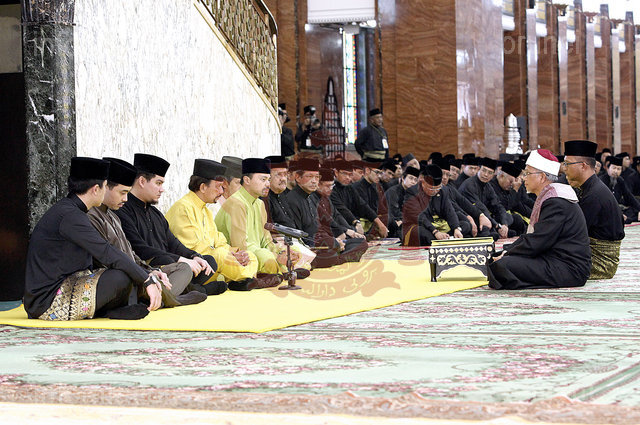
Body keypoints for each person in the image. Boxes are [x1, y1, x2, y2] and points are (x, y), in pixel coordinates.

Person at [25, 157, 161, 321]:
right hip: (46, 301)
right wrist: (146, 279)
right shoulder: (70, 216)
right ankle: (107, 312)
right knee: (120, 277)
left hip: (70, 283)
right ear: (96, 189)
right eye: (105, 186)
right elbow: (106, 252)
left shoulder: (72, 211)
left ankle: (109, 312)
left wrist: (145, 273)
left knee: (122, 272)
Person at [88, 158, 204, 307]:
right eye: (123, 193)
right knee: (125, 276)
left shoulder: (113, 215)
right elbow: (117, 256)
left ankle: (164, 297)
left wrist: (150, 271)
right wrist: (146, 276)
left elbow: (131, 252)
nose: (125, 199)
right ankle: (168, 299)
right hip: (120, 276)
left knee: (183, 267)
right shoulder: (94, 215)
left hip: (137, 270)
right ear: (102, 188)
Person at [116, 154, 223, 295]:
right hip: (149, 269)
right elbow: (138, 248)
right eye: (158, 183)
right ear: (142, 181)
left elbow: (173, 243)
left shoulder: (155, 213)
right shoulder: (123, 210)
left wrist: (194, 256)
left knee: (207, 261)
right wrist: (180, 259)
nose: (162, 189)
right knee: (172, 262)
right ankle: (192, 290)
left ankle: (184, 290)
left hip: (172, 268)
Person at [165, 159, 279, 291]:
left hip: (214, 261)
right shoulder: (183, 208)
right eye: (218, 187)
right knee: (219, 256)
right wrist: (226, 254)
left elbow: (219, 241)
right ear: (203, 187)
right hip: (195, 263)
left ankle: (243, 279)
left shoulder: (206, 210)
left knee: (250, 256)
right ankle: (249, 279)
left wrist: (234, 253)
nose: (221, 191)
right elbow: (192, 248)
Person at [488, 150, 591, 290]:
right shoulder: (551, 196)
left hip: (569, 268)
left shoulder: (556, 202)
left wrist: (508, 253)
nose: (523, 178)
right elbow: (536, 239)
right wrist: (507, 251)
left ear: (542, 177)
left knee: (502, 265)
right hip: (555, 258)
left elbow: (538, 241)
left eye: (527, 173)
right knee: (498, 258)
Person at [215, 158, 299, 276]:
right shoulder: (236, 203)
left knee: (293, 252)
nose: (268, 184)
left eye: (269, 180)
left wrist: (281, 252)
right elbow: (240, 246)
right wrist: (275, 257)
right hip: (237, 257)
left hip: (257, 253)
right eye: (263, 180)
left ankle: (279, 272)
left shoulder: (259, 204)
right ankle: (279, 273)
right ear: (247, 180)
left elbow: (266, 240)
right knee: (267, 258)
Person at [563, 140, 625, 279]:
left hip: (600, 262)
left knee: (547, 262)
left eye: (567, 164)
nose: (564, 168)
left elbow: (572, 234)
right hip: (591, 255)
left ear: (583, 166)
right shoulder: (591, 188)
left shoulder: (594, 195)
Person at [309, 168, 369, 268]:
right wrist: (342, 234)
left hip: (337, 237)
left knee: (362, 243)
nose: (330, 189)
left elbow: (337, 215)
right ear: (318, 184)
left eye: (332, 185)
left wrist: (350, 231)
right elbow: (326, 223)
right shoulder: (312, 198)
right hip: (324, 238)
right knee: (331, 248)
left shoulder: (326, 198)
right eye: (327, 186)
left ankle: (336, 257)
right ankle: (336, 258)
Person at [402, 165, 463, 246]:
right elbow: (419, 216)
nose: (434, 191)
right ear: (423, 182)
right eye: (431, 189)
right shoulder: (412, 192)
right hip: (420, 224)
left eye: (437, 188)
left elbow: (449, 211)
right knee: (423, 233)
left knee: (464, 225)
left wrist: (456, 228)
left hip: (439, 224)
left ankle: (445, 238)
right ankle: (442, 239)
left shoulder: (443, 190)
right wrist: (435, 231)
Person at [331, 160, 389, 238]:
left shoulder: (349, 187)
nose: (348, 178)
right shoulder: (331, 189)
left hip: (352, 223)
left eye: (350, 174)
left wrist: (379, 223)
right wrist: (355, 222)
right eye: (344, 174)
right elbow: (342, 210)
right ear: (336, 173)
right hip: (340, 225)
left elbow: (362, 205)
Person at [459, 158, 510, 239]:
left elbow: (497, 205)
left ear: (493, 175)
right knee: (488, 231)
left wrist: (504, 224)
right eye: (484, 170)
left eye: (490, 173)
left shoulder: (488, 186)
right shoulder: (469, 185)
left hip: (485, 217)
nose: (486, 175)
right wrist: (496, 225)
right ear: (478, 169)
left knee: (509, 217)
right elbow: (479, 207)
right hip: (469, 216)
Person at [488, 162, 530, 235]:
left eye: (514, 181)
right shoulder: (490, 186)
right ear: (501, 176)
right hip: (494, 218)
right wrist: (515, 190)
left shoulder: (506, 186)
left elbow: (522, 202)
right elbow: (507, 205)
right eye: (510, 181)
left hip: (505, 218)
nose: (512, 184)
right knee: (516, 219)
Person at [351, 162, 389, 238]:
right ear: (368, 170)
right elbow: (364, 209)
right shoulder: (356, 187)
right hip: (359, 222)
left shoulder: (374, 186)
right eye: (377, 172)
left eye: (381, 173)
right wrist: (379, 223)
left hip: (371, 221)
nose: (379, 176)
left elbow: (375, 208)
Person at [600, 155, 640, 224]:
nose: (616, 171)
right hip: (604, 210)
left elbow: (629, 197)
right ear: (608, 168)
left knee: (633, 211)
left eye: (618, 169)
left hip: (617, 209)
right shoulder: (602, 180)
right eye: (614, 168)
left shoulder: (620, 180)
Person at [385, 166, 419, 238]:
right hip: (391, 222)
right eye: (411, 178)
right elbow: (394, 212)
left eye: (415, 180)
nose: (413, 182)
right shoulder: (393, 192)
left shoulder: (414, 193)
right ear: (403, 178)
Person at [263, 155, 296, 229]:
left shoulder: (289, 195)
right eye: (279, 174)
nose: (283, 178)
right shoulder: (264, 198)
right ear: (268, 177)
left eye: (285, 174)